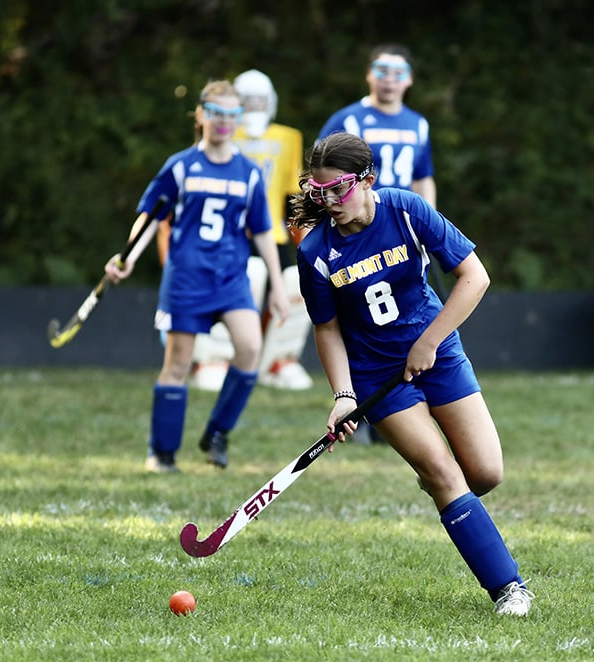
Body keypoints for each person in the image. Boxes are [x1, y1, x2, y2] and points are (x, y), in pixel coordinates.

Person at [290, 132, 533, 616]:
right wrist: (343, 395)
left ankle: (439, 483)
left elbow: (475, 277)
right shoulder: (315, 251)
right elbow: (327, 329)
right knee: (443, 473)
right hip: (377, 375)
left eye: (338, 189)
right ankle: (510, 588)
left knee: (485, 473)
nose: (330, 202)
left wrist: (429, 342)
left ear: (367, 180)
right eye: (320, 192)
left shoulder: (406, 209)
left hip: (437, 352)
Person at [106, 79, 288, 473]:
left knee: (250, 348)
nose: (224, 121)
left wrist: (276, 285)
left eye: (232, 114)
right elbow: (151, 217)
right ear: (201, 115)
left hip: (231, 278)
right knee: (178, 363)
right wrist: (129, 256)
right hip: (187, 279)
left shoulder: (250, 173)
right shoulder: (181, 165)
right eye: (217, 113)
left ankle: (217, 433)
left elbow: (262, 230)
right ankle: (162, 454)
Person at [158, 70, 313, 392]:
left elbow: (293, 199)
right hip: (227, 239)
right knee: (244, 280)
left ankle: (280, 359)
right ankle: (215, 358)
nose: (254, 107)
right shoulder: (220, 136)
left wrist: (310, 244)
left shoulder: (287, 138)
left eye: (259, 100)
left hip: (271, 235)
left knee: (299, 281)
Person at [317, 44, 435, 207]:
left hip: (403, 215)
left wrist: (429, 216)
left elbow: (422, 178)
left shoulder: (418, 123)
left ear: (410, 78)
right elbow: (319, 175)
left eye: (398, 73)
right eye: (382, 71)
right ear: (369, 74)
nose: (389, 79)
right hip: (360, 215)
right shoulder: (347, 120)